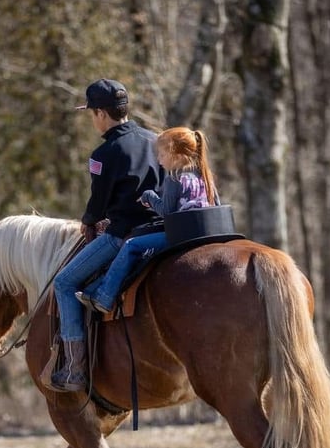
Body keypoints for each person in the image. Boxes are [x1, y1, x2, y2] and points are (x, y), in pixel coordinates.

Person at [49, 79, 163, 392]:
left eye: (91, 113)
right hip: (163, 231)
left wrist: (88, 221)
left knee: (64, 282)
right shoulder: (156, 141)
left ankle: (74, 368)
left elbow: (98, 205)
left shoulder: (103, 154)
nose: (91, 119)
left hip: (122, 235)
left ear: (101, 114)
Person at [76, 127, 219, 314]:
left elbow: (166, 212)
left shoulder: (174, 179)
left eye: (161, 154)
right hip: (205, 233)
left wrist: (149, 196)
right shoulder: (205, 177)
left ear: (176, 155)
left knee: (132, 246)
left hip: (181, 236)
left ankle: (104, 296)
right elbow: (216, 205)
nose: (159, 160)